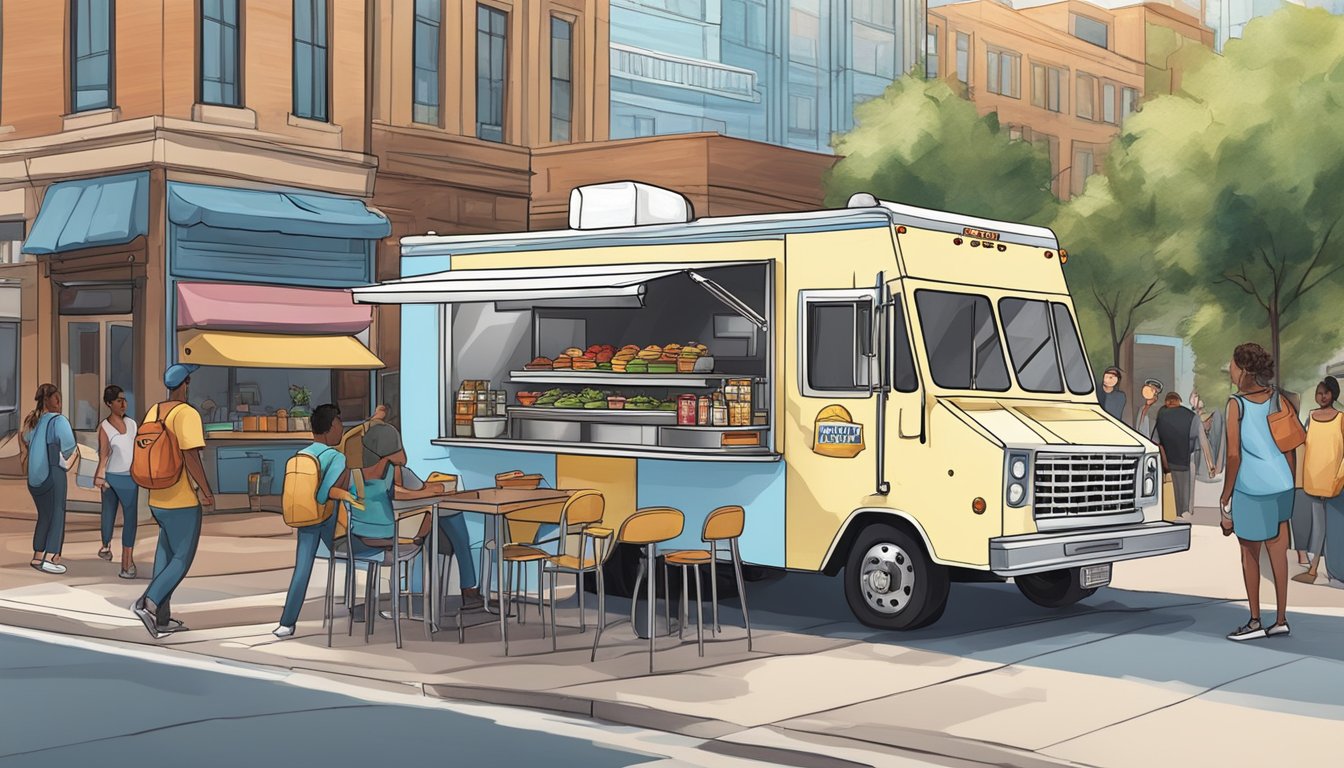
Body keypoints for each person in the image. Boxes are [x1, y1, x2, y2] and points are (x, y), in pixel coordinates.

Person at [273, 404, 378, 638]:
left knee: (302, 568)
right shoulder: (336, 458)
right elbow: (323, 494)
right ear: (331, 426)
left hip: (305, 517)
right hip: (326, 517)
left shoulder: (303, 454)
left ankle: (287, 623)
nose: (341, 428)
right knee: (358, 549)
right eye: (339, 423)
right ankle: (358, 605)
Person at [360, 412, 483, 611]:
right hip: (404, 534)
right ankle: (468, 588)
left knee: (441, 522)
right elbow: (412, 489)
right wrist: (433, 490)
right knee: (452, 517)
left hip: (367, 535)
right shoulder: (396, 472)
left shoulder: (357, 475)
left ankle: (456, 585)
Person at [132, 364, 215, 639]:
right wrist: (206, 490)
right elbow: (191, 457)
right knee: (182, 558)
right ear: (186, 383)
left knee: (165, 554)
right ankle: (149, 603)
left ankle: (162, 619)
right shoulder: (186, 414)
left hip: (157, 496)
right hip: (182, 499)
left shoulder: (154, 412)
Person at [1220, 343, 1294, 641]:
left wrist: (1225, 496)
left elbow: (1234, 456)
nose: (1230, 369)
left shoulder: (1235, 404)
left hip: (1252, 487)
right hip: (1282, 485)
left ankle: (1253, 622)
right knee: (1278, 551)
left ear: (1244, 370)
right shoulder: (1279, 399)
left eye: (1233, 365)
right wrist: (1289, 480)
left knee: (1250, 554)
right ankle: (1280, 619)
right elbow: (1290, 447)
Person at [18, 384, 77, 575]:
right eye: (57, 399)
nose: (60, 403)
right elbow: (69, 448)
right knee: (57, 513)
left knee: (45, 515)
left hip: (34, 479)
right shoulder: (59, 421)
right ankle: (52, 557)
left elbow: (24, 438)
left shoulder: (34, 420)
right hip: (53, 472)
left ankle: (37, 555)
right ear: (49, 400)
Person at [1294, 377, 1341, 584]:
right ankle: (1313, 570)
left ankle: (1333, 572)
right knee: (1319, 527)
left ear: (1334, 394)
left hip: (1337, 481)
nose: (1322, 397)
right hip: (1314, 481)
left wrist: (1340, 476)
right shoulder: (1311, 417)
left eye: (1326, 393)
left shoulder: (1341, 418)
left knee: (1336, 528)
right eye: (1319, 393)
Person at [94, 385, 139, 579]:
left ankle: (126, 562)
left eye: (124, 399)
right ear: (108, 404)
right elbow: (103, 454)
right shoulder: (104, 427)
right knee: (108, 513)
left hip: (130, 476)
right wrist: (100, 475)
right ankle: (106, 545)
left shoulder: (133, 424)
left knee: (130, 518)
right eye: (118, 400)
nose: (123, 403)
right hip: (111, 476)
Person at [1152, 392, 1198, 518]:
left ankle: (1174, 512)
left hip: (1167, 461)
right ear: (1179, 400)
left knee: (1172, 488)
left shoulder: (1161, 415)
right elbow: (1195, 436)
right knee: (1185, 487)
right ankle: (1184, 511)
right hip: (1184, 459)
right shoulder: (1191, 415)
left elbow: (1155, 440)